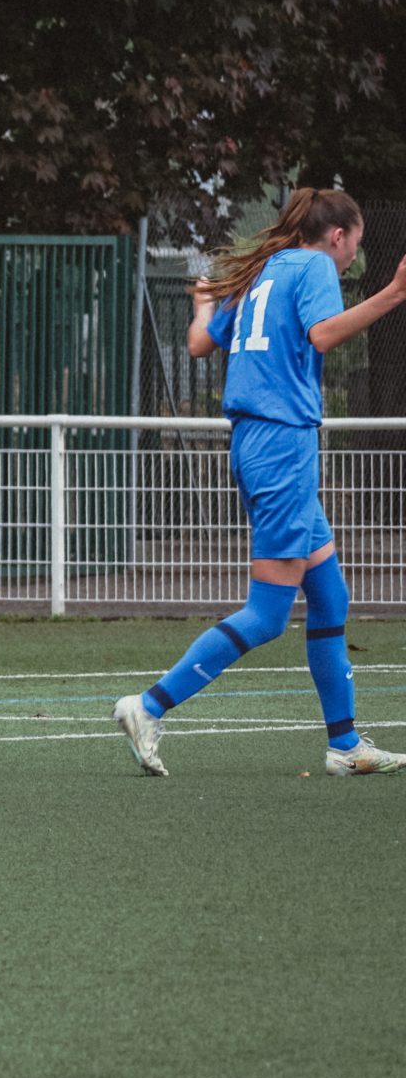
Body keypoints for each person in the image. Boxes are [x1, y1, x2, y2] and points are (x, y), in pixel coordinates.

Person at [115, 186, 406, 778]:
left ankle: (345, 746)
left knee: (329, 596)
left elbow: (199, 342)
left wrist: (202, 303)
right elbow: (323, 335)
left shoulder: (261, 272)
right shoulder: (315, 266)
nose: (353, 259)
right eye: (356, 246)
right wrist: (394, 294)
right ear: (337, 235)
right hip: (282, 447)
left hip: (254, 444)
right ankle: (148, 705)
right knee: (269, 614)